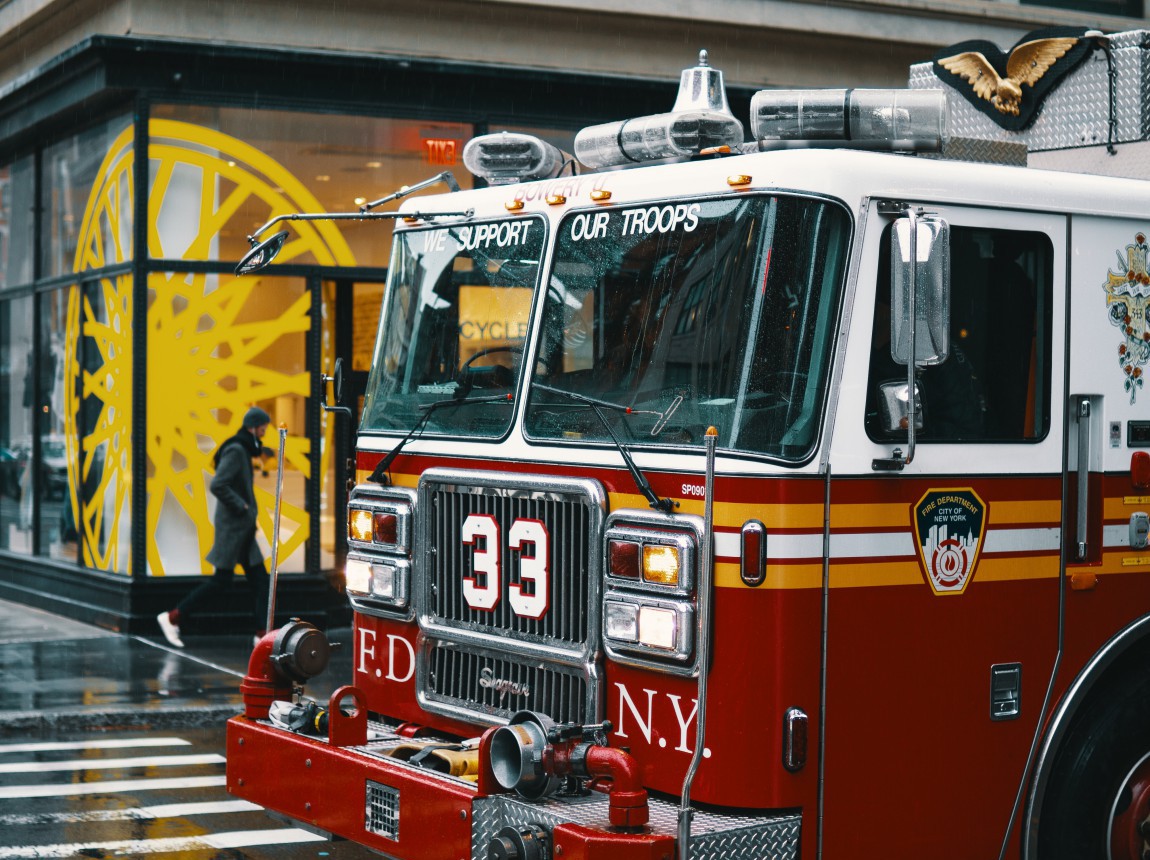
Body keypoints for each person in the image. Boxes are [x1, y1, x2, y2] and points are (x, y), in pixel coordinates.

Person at [157, 406, 272, 648]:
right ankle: (172, 618)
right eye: (263, 428)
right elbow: (218, 484)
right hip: (234, 528)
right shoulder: (237, 450)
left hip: (241, 528)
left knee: (260, 581)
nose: (264, 432)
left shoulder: (243, 448)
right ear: (253, 427)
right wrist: (242, 506)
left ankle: (261, 634)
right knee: (223, 581)